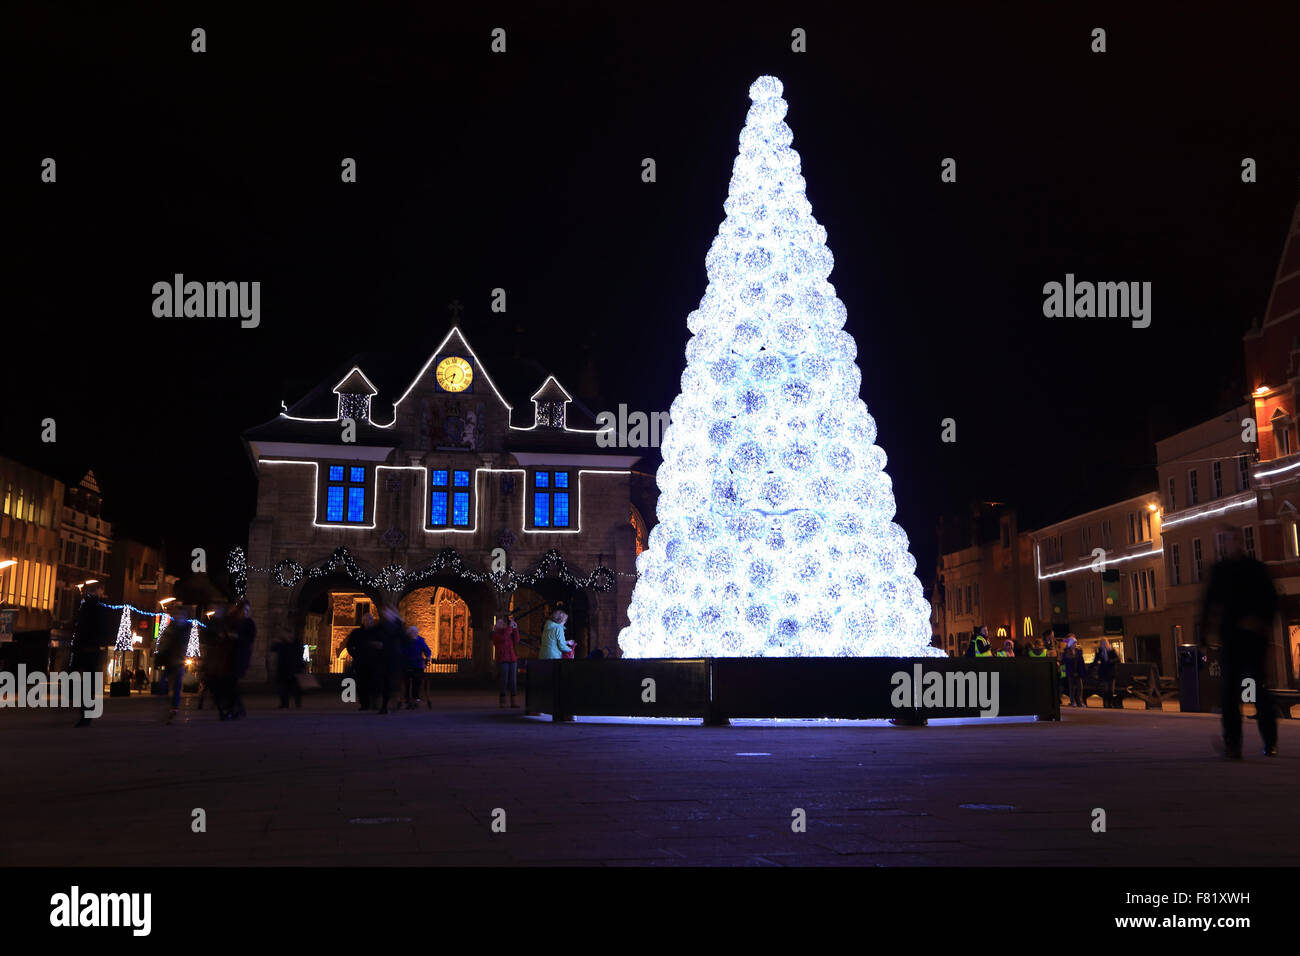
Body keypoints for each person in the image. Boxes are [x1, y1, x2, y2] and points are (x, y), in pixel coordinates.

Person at [1201, 528, 1280, 758]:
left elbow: (1271, 600)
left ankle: (1269, 741)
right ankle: (1234, 744)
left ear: (1240, 542)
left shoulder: (1255, 569)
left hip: (1253, 639)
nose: (1229, 545)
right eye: (1225, 541)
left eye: (1232, 540)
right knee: (1230, 693)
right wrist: (1205, 632)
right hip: (1233, 639)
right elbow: (1208, 602)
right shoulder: (1221, 571)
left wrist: (1261, 623)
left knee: (1257, 690)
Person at [67, 583, 115, 727]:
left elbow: (78, 626)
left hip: (82, 648)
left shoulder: (84, 606)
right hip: (91, 649)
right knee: (88, 682)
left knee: (82, 681)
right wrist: (101, 642)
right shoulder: (98, 607)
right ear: (97, 591)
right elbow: (103, 626)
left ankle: (85, 709)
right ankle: (87, 709)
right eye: (101, 590)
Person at [156, 613, 189, 724]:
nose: (180, 619)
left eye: (182, 617)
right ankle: (167, 705)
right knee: (163, 683)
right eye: (179, 617)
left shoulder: (184, 631)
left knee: (177, 685)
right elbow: (163, 642)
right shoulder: (172, 628)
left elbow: (182, 646)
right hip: (170, 661)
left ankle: (174, 707)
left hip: (177, 662)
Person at [374, 605, 406, 714]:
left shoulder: (398, 625)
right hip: (383, 658)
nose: (386, 614)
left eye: (388, 612)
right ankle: (384, 704)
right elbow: (374, 635)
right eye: (385, 612)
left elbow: (404, 639)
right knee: (383, 682)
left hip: (394, 658)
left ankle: (389, 703)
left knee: (391, 682)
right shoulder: (381, 625)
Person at [227, 602, 256, 719]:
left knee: (232, 682)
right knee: (231, 683)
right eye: (244, 610)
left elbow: (249, 640)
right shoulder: (236, 622)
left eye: (247, 610)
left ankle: (235, 709)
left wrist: (237, 637)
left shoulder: (250, 623)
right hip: (231, 656)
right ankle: (238, 708)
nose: (245, 612)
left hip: (242, 656)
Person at [490, 613, 521, 708]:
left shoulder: (508, 631)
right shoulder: (495, 634)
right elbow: (503, 639)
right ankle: (502, 701)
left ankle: (513, 701)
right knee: (504, 679)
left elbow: (516, 641)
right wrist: (509, 629)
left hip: (512, 658)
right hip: (503, 659)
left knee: (513, 680)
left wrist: (515, 629)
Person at [271, 632, 305, 709]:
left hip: (294, 670)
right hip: (284, 670)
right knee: (284, 688)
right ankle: (284, 703)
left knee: (294, 688)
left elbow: (299, 657)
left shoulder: (296, 644)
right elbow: (273, 648)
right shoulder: (283, 644)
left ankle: (296, 703)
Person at [403, 625, 431, 709]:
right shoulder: (405, 641)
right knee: (406, 681)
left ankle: (416, 697)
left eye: (415, 632)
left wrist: (428, 656)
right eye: (411, 633)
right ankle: (407, 697)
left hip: (418, 664)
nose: (413, 634)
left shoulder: (420, 640)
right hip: (407, 664)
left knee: (417, 680)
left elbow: (427, 650)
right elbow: (401, 651)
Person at [1095, 637, 1119, 709]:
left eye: (1105, 643)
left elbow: (1117, 659)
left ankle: (1110, 703)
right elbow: (1096, 660)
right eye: (1102, 643)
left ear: (1107, 643)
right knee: (1105, 689)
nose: (1103, 644)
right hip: (1104, 672)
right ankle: (1105, 703)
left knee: (1111, 690)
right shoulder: (1100, 651)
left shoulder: (1111, 651)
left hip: (1111, 672)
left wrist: (1111, 661)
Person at [1063, 635, 1087, 707]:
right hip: (1070, 673)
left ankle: (1079, 701)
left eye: (1076, 643)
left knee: (1080, 687)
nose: (1075, 644)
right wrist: (1063, 674)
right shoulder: (1066, 652)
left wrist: (1083, 671)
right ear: (1070, 643)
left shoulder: (1078, 652)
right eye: (1074, 643)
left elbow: (1081, 662)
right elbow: (1063, 663)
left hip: (1078, 672)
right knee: (1072, 688)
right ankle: (1072, 701)